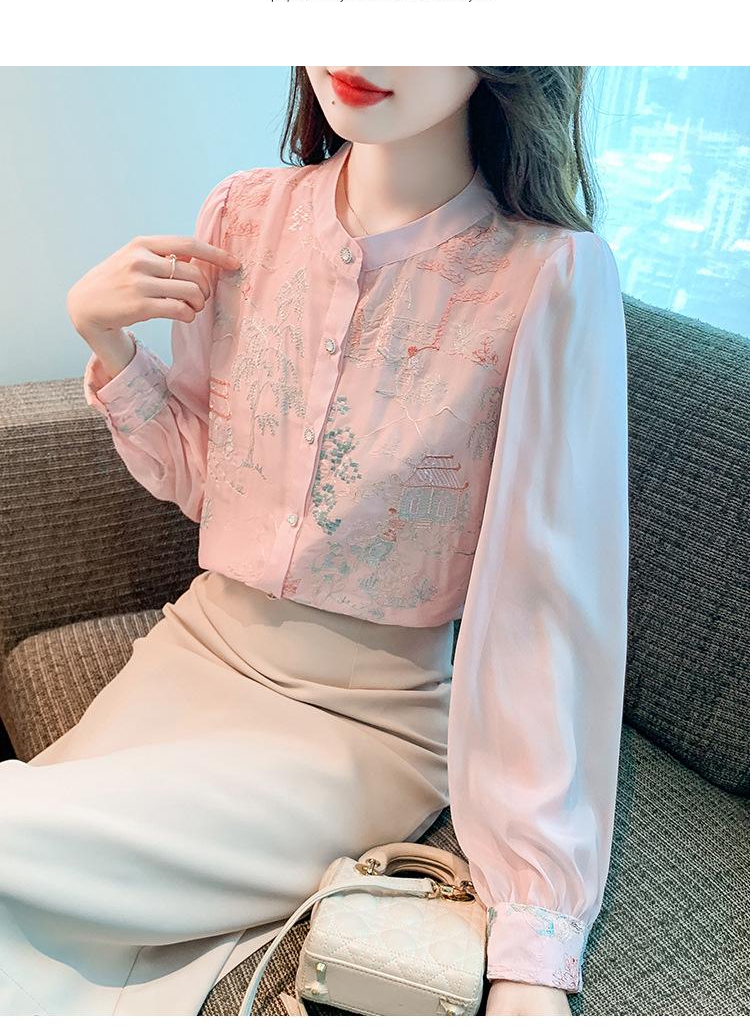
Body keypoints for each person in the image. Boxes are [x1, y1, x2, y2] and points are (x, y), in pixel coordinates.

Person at [0, 66, 629, 1017]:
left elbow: (547, 611)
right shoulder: (243, 216)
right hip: (194, 653)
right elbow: (211, 482)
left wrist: (533, 949)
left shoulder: (548, 276)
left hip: (363, 727)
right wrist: (110, 344)